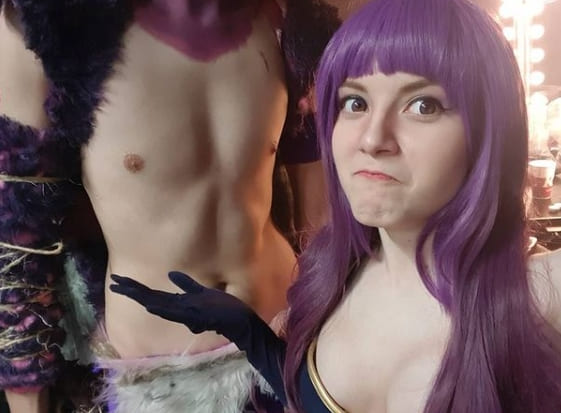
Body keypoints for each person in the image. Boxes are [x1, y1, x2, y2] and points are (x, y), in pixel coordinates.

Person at [111, 0, 561, 411]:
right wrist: (251, 334)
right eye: (355, 102)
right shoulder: (334, 275)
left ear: (488, 130)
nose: (372, 138)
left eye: (423, 105)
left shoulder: (539, 298)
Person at [0, 0, 339, 412]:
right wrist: (28, 401)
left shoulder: (286, 20)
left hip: (286, 337)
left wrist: (330, 334)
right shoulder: (48, 28)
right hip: (157, 379)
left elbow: (322, 217)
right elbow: (18, 242)